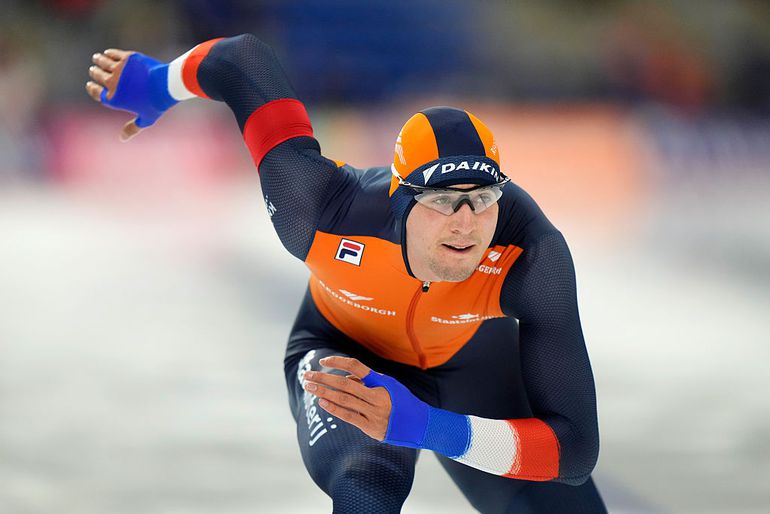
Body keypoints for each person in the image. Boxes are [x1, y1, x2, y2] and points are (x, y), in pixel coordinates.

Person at [85, 33, 606, 513]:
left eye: (484, 199)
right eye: (445, 201)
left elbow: (574, 449)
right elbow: (241, 62)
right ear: (401, 202)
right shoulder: (319, 211)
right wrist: (158, 84)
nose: (468, 224)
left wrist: (426, 426)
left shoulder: (530, 255)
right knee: (367, 487)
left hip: (471, 364)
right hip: (344, 350)